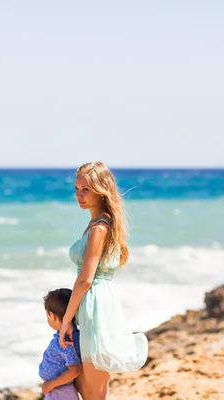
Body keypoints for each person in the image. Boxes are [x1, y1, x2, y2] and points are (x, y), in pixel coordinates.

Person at [59, 161, 148, 400]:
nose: (79, 194)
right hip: (94, 304)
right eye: (77, 188)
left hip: (95, 306)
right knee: (86, 388)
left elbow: (85, 279)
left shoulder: (100, 227)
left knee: (93, 393)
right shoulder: (96, 224)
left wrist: (66, 320)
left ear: (101, 189)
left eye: (86, 189)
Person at [39, 288, 82, 400]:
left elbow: (74, 370)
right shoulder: (74, 334)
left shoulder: (65, 341)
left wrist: (51, 384)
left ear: (52, 315)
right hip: (60, 386)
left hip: (60, 388)